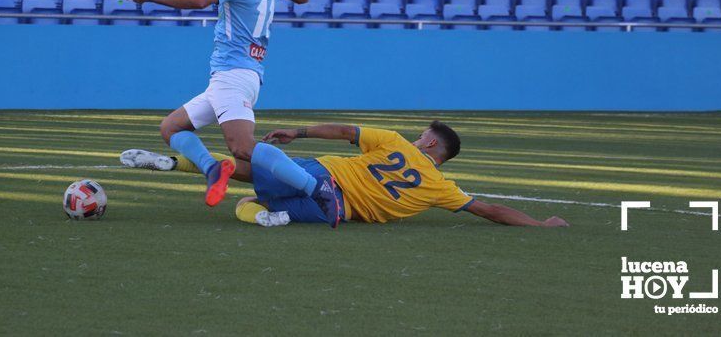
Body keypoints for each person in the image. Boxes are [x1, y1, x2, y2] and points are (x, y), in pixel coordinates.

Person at [110, 0, 342, 227]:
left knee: (243, 148)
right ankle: (211, 169)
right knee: (171, 128)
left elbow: (199, 0)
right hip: (243, 75)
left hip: (232, 75)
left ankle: (317, 188)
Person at [121, 122, 570, 229]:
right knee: (249, 202)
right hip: (336, 211)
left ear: (432, 144)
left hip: (322, 173)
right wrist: (540, 225)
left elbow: (343, 132)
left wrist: (299, 130)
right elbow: (488, 209)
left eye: (423, 135)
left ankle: (186, 161)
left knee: (250, 168)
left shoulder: (394, 141)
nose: (417, 138)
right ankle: (264, 217)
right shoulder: (441, 188)